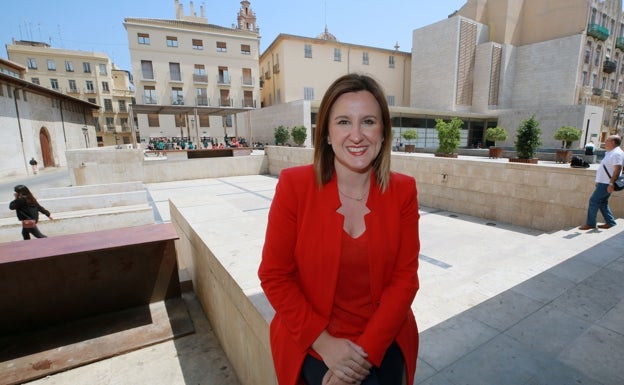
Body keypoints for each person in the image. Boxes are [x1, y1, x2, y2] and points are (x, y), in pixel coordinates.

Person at [258, 74, 420, 385]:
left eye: (368, 121)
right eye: (344, 122)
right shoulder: (295, 186)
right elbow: (274, 275)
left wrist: (365, 355)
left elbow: (405, 281)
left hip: (384, 339)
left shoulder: (403, 191)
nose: (356, 135)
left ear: (383, 133)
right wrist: (326, 345)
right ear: (327, 135)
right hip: (314, 342)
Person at [579, 135, 623, 230]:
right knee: (602, 202)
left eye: (607, 140)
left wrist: (611, 183)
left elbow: (617, 169)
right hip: (604, 182)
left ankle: (590, 223)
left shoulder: (617, 153)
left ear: (613, 142)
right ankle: (610, 222)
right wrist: (598, 181)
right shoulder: (611, 152)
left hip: (607, 183)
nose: (605, 141)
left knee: (593, 201)